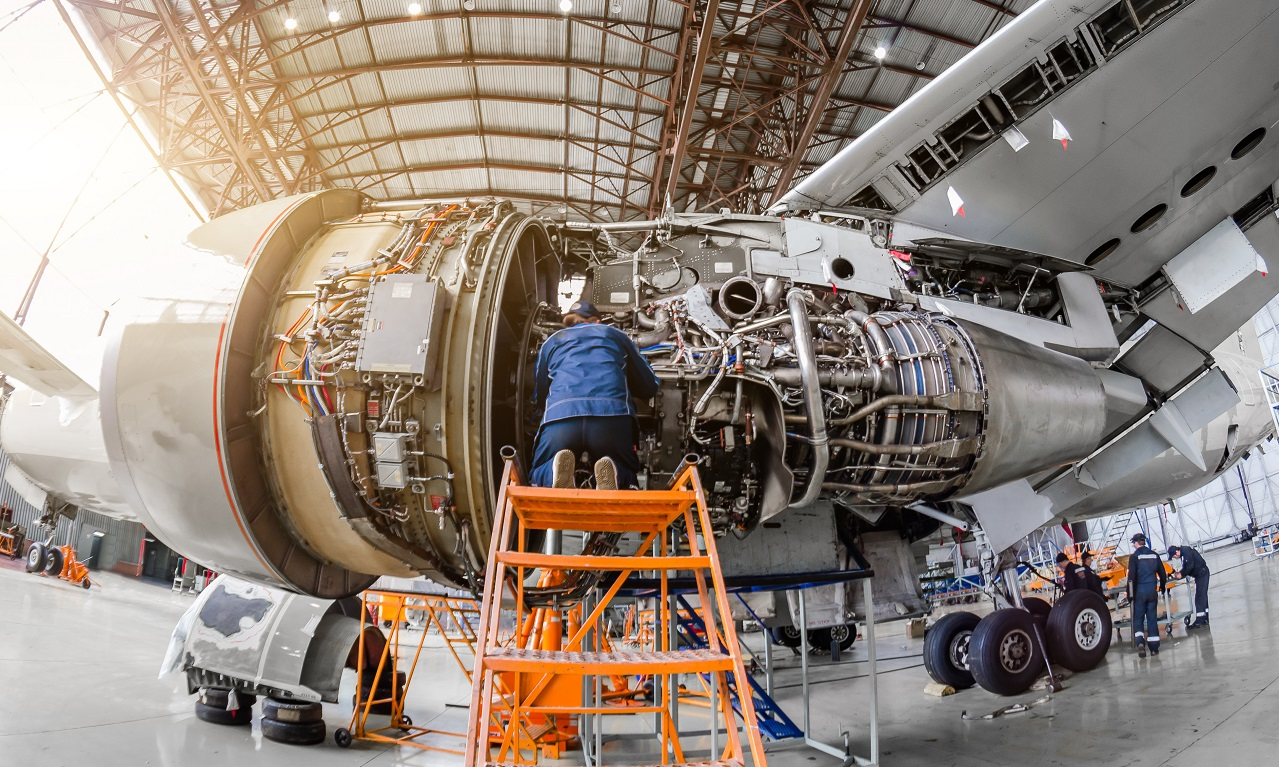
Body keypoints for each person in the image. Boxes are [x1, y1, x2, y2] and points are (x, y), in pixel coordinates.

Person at [530, 301, 661, 490]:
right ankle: (614, 472)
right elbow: (649, 386)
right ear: (597, 321)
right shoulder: (615, 335)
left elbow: (540, 394)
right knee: (626, 471)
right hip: (611, 419)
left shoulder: (552, 341)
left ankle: (552, 470)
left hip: (561, 417)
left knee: (538, 470)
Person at [1127, 532, 1167, 657]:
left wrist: (1130, 594)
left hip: (1139, 592)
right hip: (1152, 591)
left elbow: (1131, 577)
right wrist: (1162, 587)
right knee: (1152, 619)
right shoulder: (1154, 555)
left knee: (1138, 618)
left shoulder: (1134, 557)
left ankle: (1140, 643)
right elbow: (1163, 573)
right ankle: (1154, 648)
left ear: (1135, 543)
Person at [1167, 544, 1210, 629]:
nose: (1175, 558)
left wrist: (1181, 574)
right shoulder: (1185, 553)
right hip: (1201, 574)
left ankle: (1200, 621)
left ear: (1176, 552)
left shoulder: (1186, 552)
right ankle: (1205, 618)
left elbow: (1190, 566)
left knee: (1199, 597)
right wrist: (1180, 573)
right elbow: (1187, 566)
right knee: (1202, 596)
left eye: (1174, 556)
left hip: (1202, 574)